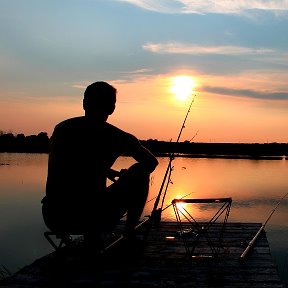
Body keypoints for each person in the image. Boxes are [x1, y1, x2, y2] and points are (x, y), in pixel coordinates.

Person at [42, 81, 158, 247]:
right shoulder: (118, 137)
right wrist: (126, 176)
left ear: (84, 104)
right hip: (95, 217)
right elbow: (151, 163)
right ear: (112, 108)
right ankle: (128, 235)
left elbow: (74, 165)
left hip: (55, 217)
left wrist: (104, 170)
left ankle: (91, 238)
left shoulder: (62, 129)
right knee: (140, 172)